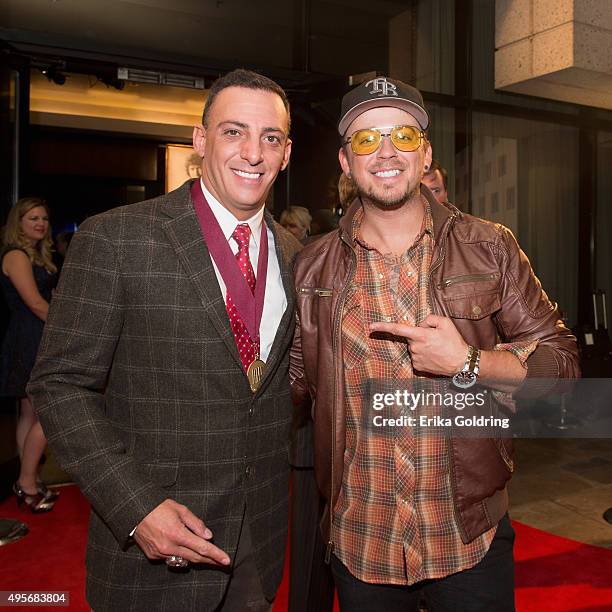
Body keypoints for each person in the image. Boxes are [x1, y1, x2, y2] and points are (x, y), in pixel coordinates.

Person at [289, 76, 579, 611]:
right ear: (344, 162)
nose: (385, 152)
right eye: (366, 139)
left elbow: (562, 369)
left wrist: (469, 362)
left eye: (402, 136)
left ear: (424, 155)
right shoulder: (313, 267)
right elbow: (289, 392)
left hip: (467, 538)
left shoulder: (488, 247)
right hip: (361, 543)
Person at [28, 69, 301, 612]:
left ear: (286, 153)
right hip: (151, 550)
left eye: (270, 138)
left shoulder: (295, 253)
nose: (253, 152)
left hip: (259, 544)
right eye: (233, 132)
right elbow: (59, 386)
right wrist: (136, 507)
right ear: (201, 141)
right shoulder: (117, 238)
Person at [0, 197, 58, 512]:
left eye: (44, 218)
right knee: (49, 413)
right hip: (30, 337)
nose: (40, 223)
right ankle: (26, 481)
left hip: (32, 335)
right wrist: (66, 330)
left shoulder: (35, 255)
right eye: (33, 217)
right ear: (18, 223)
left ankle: (29, 481)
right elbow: (35, 304)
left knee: (30, 413)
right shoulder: (17, 255)